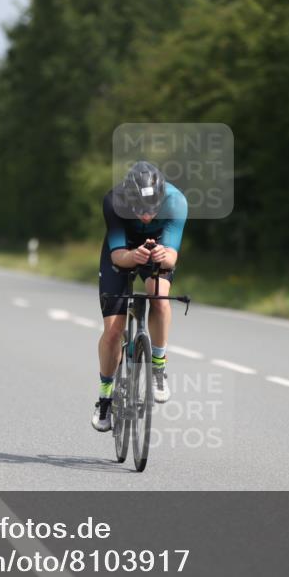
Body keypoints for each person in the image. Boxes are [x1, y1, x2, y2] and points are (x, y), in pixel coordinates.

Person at [92, 161, 188, 432]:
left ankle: (158, 367)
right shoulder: (114, 200)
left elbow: (172, 257)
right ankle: (105, 397)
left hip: (157, 247)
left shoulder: (176, 201)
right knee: (113, 332)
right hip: (122, 251)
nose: (146, 216)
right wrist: (133, 256)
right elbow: (117, 255)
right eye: (140, 210)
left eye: (152, 209)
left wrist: (162, 255)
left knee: (159, 297)